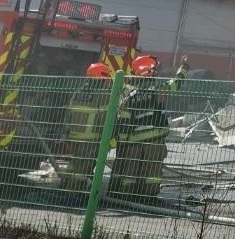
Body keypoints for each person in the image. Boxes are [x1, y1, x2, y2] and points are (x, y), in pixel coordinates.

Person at [112, 56, 169, 199]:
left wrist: (122, 137)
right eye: (154, 72)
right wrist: (184, 69)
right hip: (154, 137)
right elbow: (175, 84)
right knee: (152, 170)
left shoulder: (129, 92)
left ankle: (123, 195)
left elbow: (123, 116)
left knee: (129, 168)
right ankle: (148, 197)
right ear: (149, 75)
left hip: (133, 138)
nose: (156, 75)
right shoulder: (156, 92)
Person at [61, 61, 114, 190]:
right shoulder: (103, 95)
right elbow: (105, 119)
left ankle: (66, 187)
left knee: (74, 164)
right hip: (91, 139)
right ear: (101, 77)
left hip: (73, 137)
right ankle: (75, 193)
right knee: (84, 167)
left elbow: (68, 114)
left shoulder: (78, 92)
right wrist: (107, 138)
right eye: (106, 77)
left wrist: (67, 133)